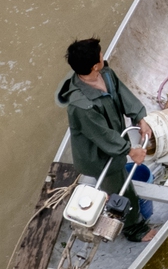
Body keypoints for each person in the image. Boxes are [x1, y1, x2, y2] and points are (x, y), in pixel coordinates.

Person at [58, 37, 149, 196]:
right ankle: (134, 221)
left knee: (121, 178)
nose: (103, 56)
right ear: (94, 66)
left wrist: (140, 118)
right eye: (100, 55)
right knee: (121, 194)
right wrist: (130, 151)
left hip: (115, 141)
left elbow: (122, 94)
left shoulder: (105, 74)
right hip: (99, 156)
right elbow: (103, 135)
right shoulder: (81, 106)